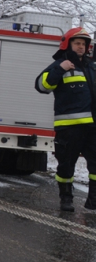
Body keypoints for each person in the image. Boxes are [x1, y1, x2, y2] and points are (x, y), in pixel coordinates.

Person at [35, 27, 96, 212]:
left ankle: (93, 200)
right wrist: (60, 70)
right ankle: (66, 199)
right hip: (69, 128)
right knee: (66, 165)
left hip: (92, 127)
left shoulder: (92, 67)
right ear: (67, 44)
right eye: (77, 43)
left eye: (84, 44)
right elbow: (42, 86)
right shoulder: (60, 65)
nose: (81, 47)